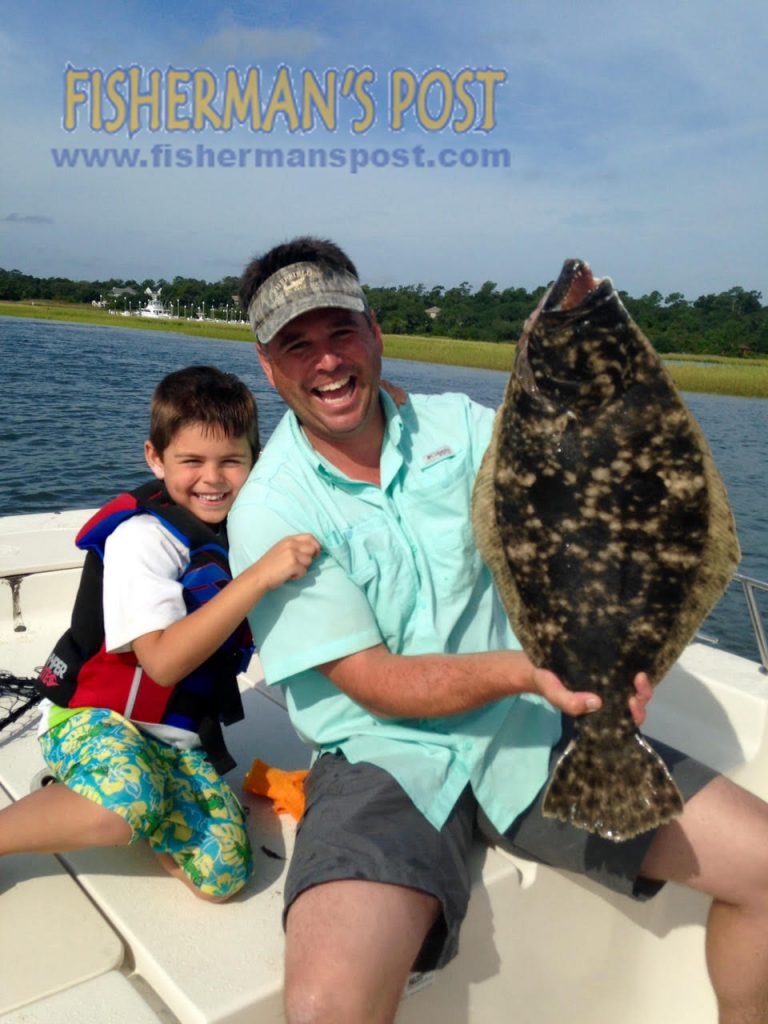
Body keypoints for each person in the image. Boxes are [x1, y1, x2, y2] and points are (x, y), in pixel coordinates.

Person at [229, 238, 768, 1023]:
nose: (327, 361)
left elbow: (592, 469)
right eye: (297, 345)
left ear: (375, 332)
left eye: (340, 331)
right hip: (386, 760)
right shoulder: (270, 507)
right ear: (268, 365)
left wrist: (574, 352)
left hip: (535, 736)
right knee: (325, 1006)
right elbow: (375, 682)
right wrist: (533, 669)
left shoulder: (466, 427)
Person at [0, 365, 319, 901]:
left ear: (254, 461)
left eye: (231, 462)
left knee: (224, 878)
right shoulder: (142, 540)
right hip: (93, 720)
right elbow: (164, 663)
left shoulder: (242, 533)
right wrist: (262, 575)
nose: (212, 479)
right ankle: (94, 797)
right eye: (191, 461)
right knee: (130, 797)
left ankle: (126, 801)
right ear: (156, 457)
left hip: (173, 737)